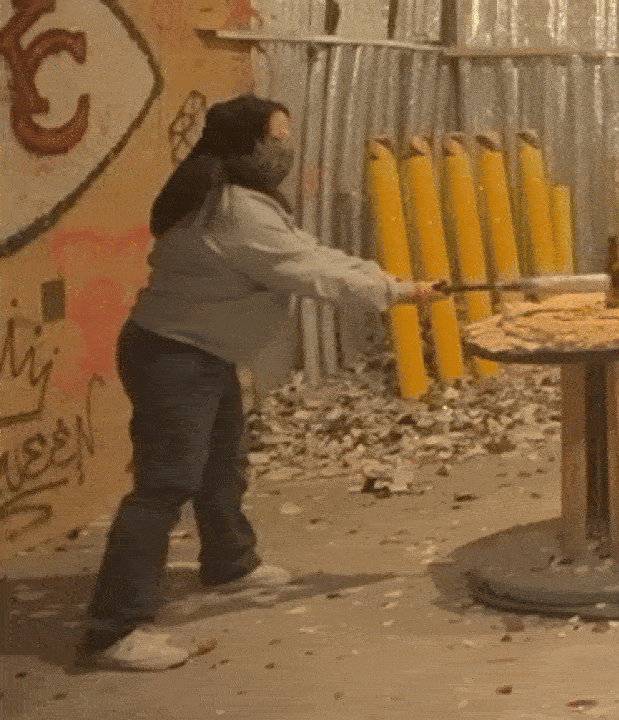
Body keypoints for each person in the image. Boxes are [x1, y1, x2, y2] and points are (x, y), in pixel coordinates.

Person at [77, 94, 443, 671]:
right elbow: (308, 271)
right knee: (164, 487)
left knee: (223, 463)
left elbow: (308, 252)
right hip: (175, 357)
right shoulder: (231, 208)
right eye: (276, 138)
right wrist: (396, 291)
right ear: (245, 143)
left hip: (200, 352)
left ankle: (229, 564)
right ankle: (114, 628)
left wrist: (390, 279)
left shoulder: (238, 196)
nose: (285, 149)